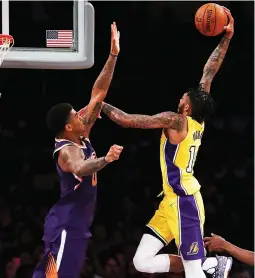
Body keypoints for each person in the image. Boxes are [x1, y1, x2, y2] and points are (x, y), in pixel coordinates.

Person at [101, 7, 234, 278]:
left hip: (185, 202)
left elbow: (128, 120)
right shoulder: (198, 115)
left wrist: (98, 103)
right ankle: (210, 264)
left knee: (193, 274)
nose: (182, 96)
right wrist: (227, 37)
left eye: (184, 96)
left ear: (185, 107)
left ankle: (203, 265)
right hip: (170, 202)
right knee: (142, 262)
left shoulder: (176, 121)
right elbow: (209, 72)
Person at [33, 22, 123, 278]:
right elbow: (81, 168)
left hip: (77, 225)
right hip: (67, 225)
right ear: (68, 126)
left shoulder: (80, 134)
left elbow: (99, 93)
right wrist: (106, 158)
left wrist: (113, 55)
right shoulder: (66, 152)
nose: (82, 115)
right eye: (76, 115)